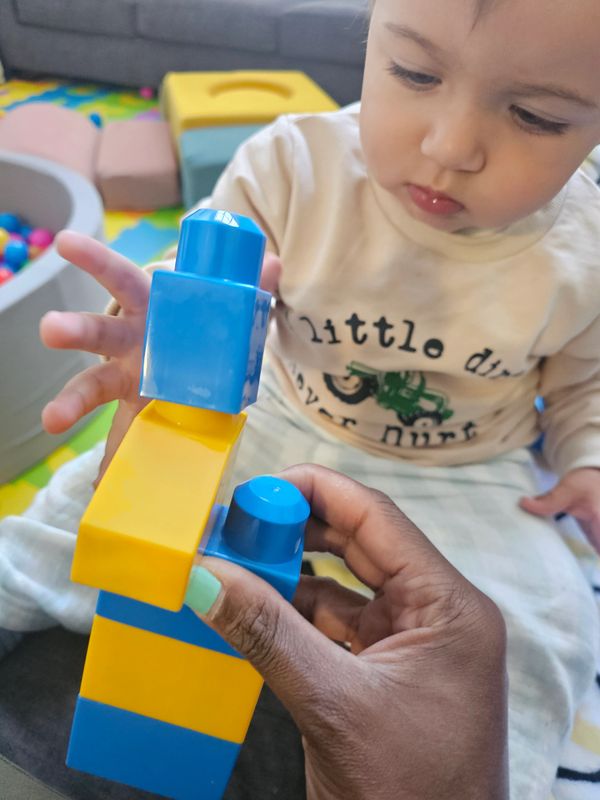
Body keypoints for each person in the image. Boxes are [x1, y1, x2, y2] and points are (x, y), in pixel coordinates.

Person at [1, 0, 599, 795]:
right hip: (267, 414)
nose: (450, 146)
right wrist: (174, 337)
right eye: (414, 73)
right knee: (82, 519)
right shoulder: (293, 164)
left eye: (534, 114)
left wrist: (586, 461)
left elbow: (583, 383)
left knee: (533, 629)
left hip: (464, 473)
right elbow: (207, 275)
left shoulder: (582, 248)